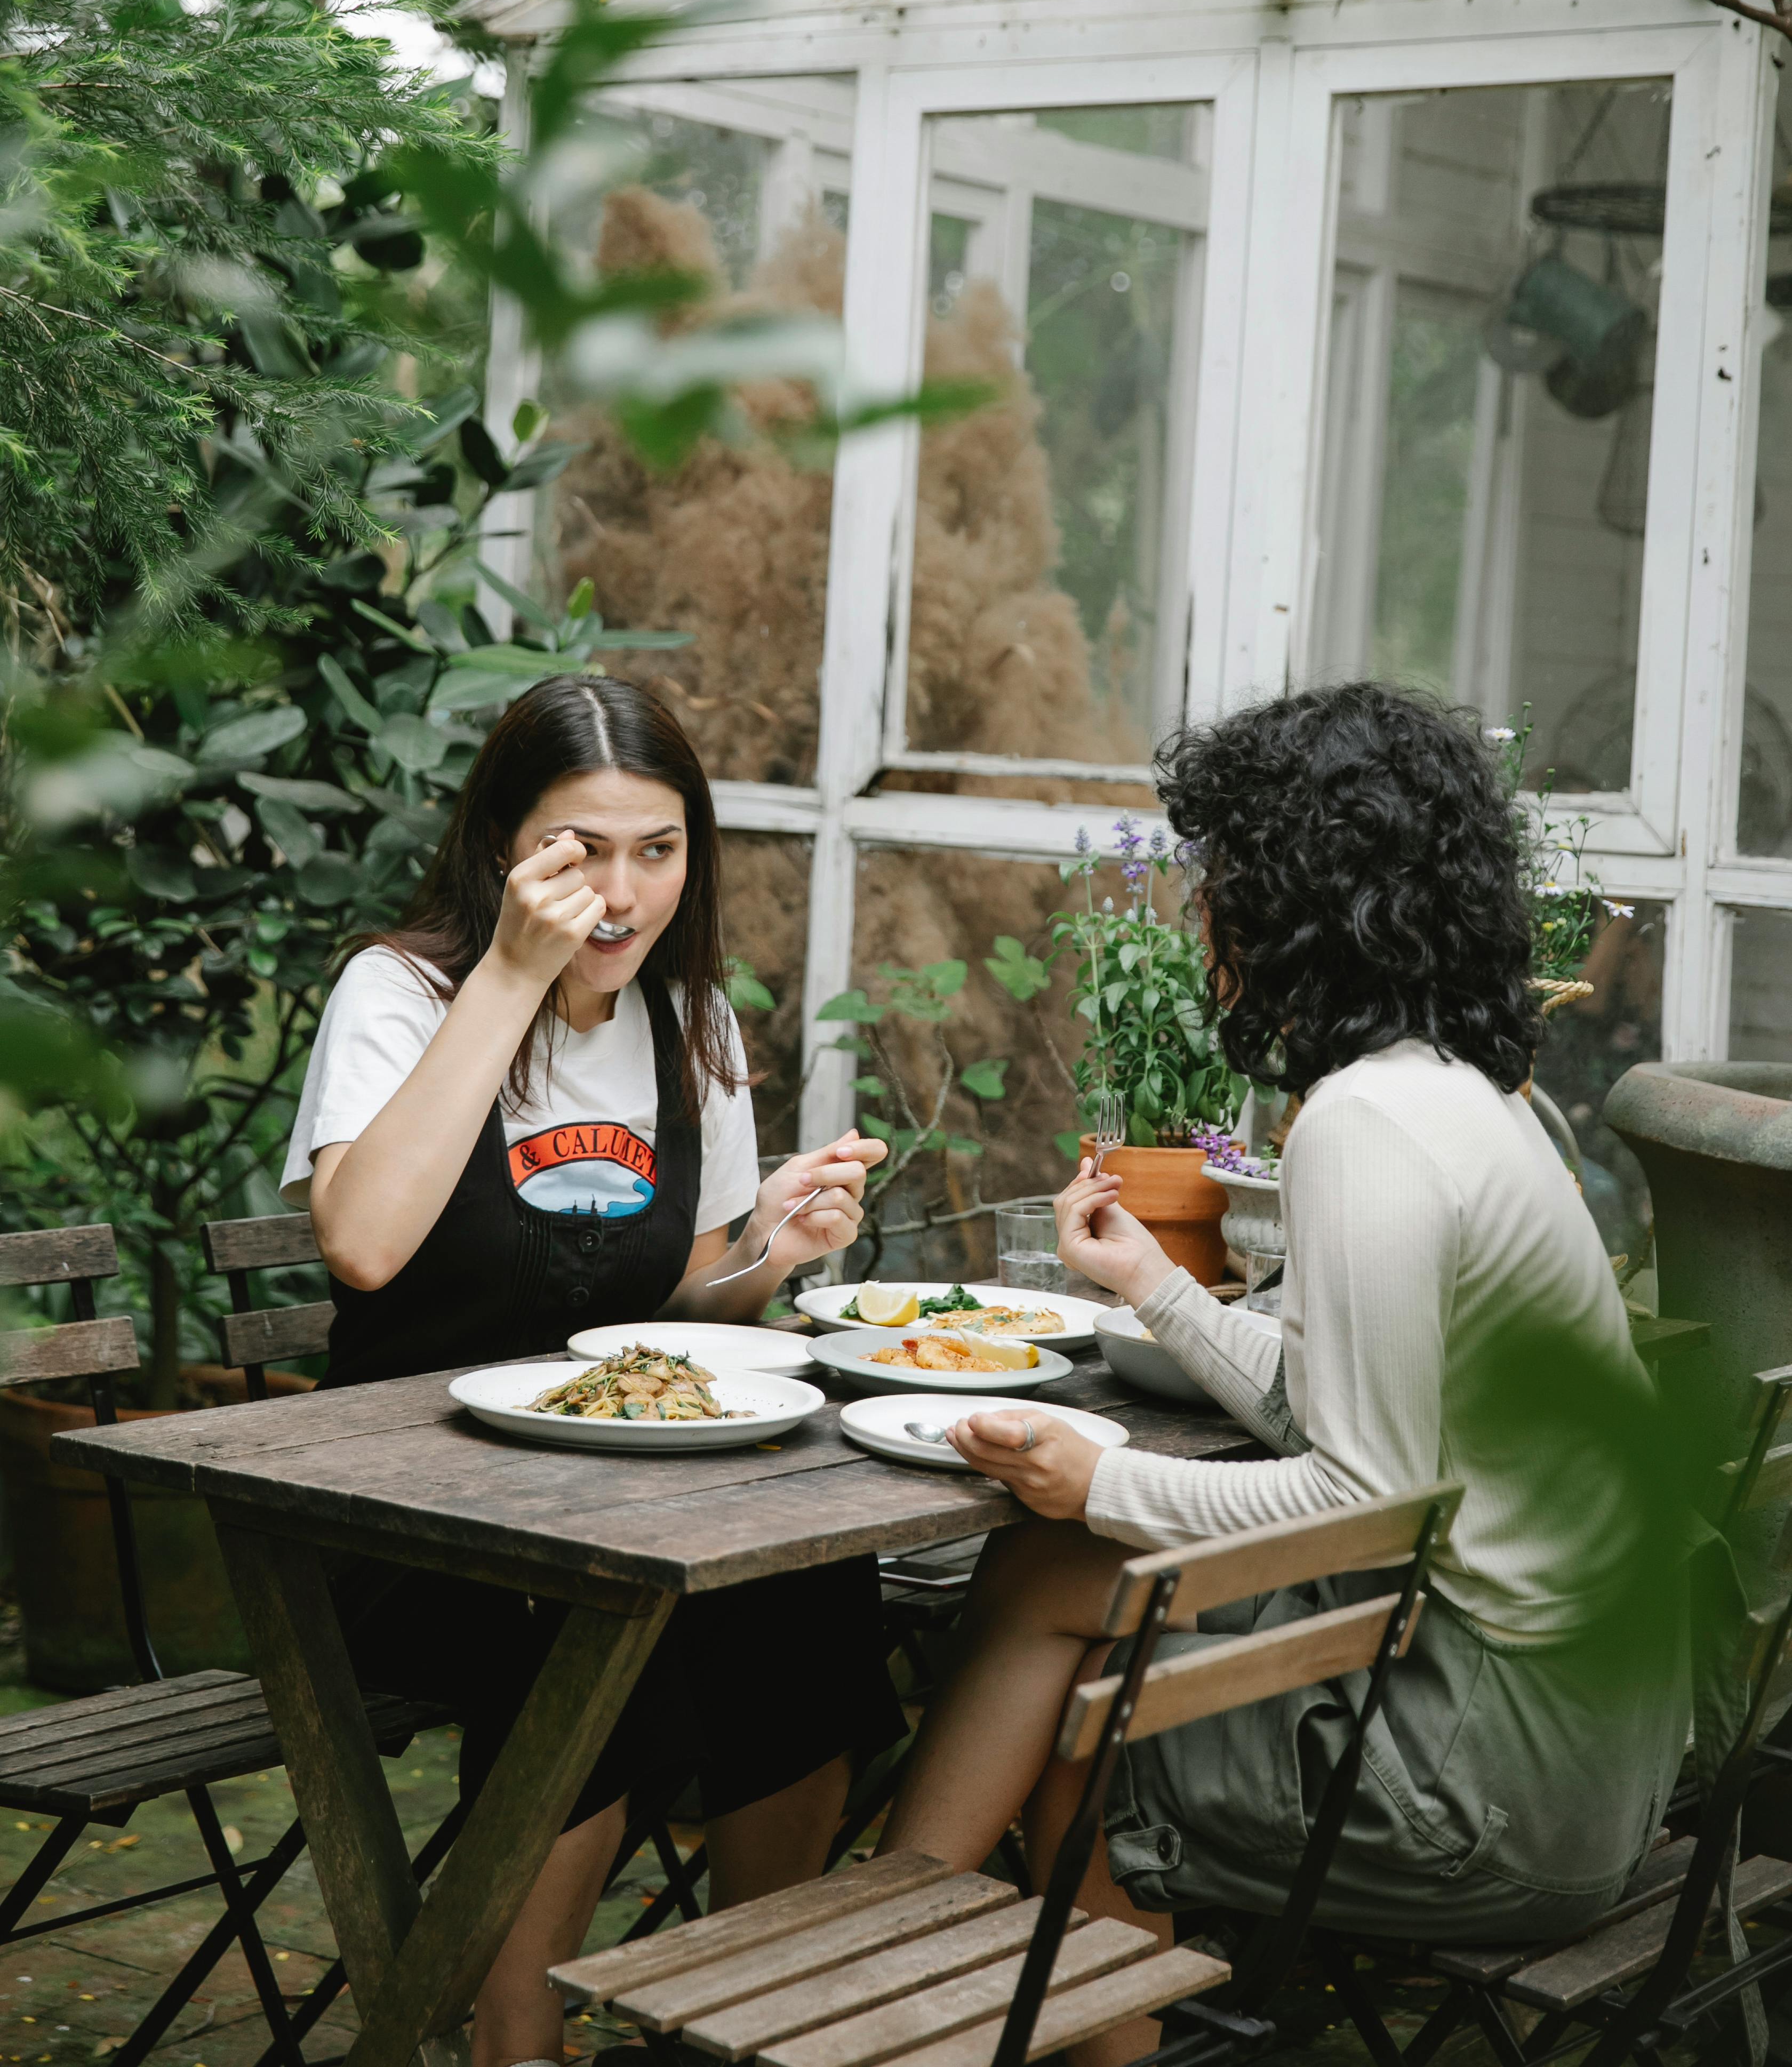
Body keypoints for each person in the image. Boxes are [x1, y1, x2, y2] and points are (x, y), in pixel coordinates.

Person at [880, 683, 1686, 2065]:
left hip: (1500, 1788)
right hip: (1595, 1742)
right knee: (1044, 1582)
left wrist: (1101, 1472)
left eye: (1224, 879)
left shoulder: (1367, 1127)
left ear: (1302, 899)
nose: (1204, 915)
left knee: (1088, 1715)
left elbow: (1367, 1494)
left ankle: (898, 1985)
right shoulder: (1458, 1094)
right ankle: (895, 1949)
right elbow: (1356, 1409)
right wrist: (1156, 1287)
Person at [282, 672, 902, 2067]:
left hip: (611, 1490)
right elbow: (364, 1246)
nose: (620, 896)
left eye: (658, 849)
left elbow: (671, 1293)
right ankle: (517, 2029)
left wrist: (774, 1252)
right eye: (579, 851)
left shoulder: (693, 1027)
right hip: (394, 1514)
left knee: (807, 1586)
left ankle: (754, 2011)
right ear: (506, 846)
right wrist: (508, 975)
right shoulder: (401, 994)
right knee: (601, 1621)